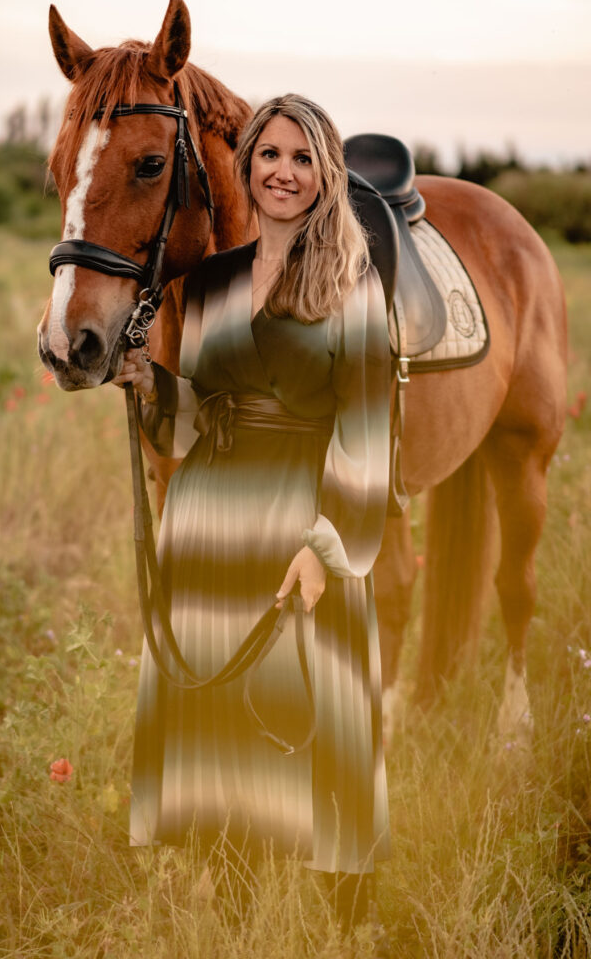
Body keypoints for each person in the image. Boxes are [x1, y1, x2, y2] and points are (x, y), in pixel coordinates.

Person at [113, 94, 391, 930]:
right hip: (205, 521)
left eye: (301, 158)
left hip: (299, 524)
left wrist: (327, 544)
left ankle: (344, 918)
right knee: (215, 714)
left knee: (315, 705)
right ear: (247, 165)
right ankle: (230, 895)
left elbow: (369, 424)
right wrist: (151, 387)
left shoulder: (349, 279)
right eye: (269, 155)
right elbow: (199, 411)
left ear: (325, 173)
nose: (282, 172)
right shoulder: (211, 282)